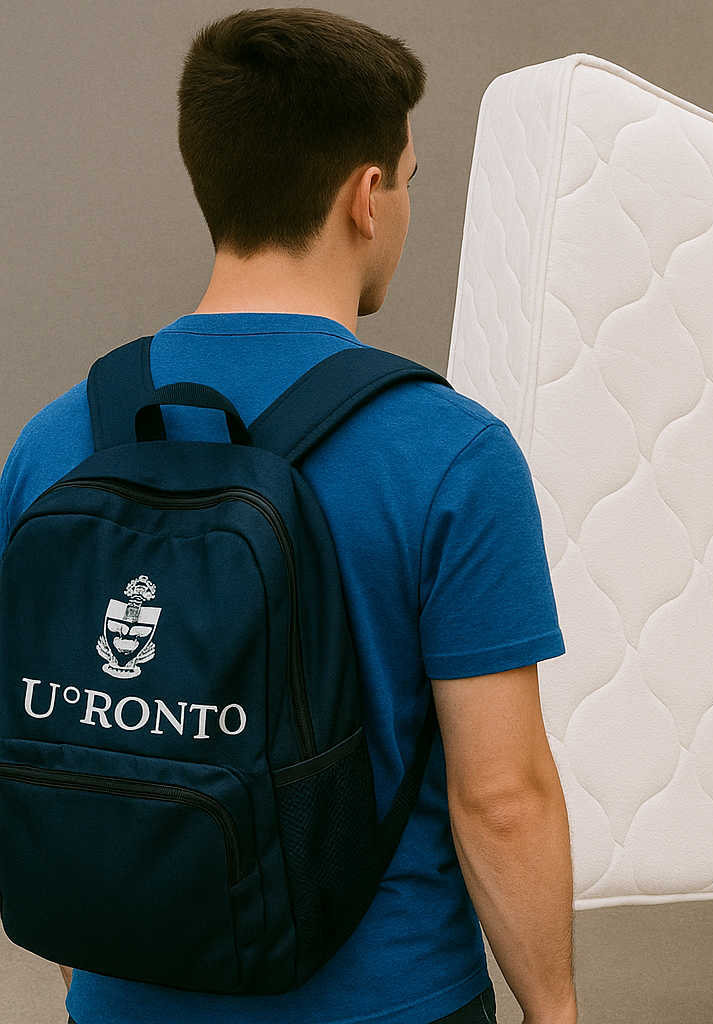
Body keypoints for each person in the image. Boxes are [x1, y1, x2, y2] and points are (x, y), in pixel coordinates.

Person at [0, 10, 577, 1024]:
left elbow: (46, 742)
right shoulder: (452, 455)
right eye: (408, 179)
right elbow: (503, 797)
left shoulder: (56, 441)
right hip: (391, 1002)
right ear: (365, 196)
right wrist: (556, 1011)